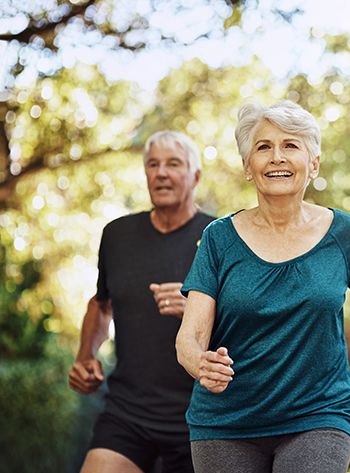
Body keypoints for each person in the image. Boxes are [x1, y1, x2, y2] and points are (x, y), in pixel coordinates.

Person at [175, 100, 350, 472]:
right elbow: (188, 340)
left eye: (290, 145)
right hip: (226, 422)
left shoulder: (344, 234)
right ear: (248, 167)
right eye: (263, 147)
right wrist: (201, 363)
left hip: (318, 415)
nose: (277, 157)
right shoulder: (218, 239)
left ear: (313, 163)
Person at [68, 130, 215, 473]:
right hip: (128, 412)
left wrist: (197, 310)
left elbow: (248, 320)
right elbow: (102, 304)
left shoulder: (219, 237)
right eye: (153, 164)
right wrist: (85, 355)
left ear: (195, 176)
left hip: (203, 415)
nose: (161, 172)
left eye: (173, 164)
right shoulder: (117, 235)